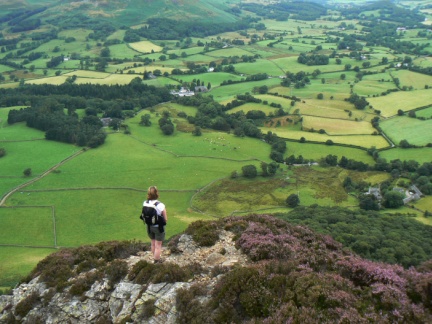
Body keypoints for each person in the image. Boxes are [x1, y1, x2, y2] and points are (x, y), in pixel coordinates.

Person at [143, 186, 167, 263]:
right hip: (158, 227)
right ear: (157, 193)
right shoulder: (160, 205)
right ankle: (156, 261)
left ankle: (154, 257)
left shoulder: (145, 203)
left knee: (153, 244)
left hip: (149, 227)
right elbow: (165, 218)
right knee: (158, 245)